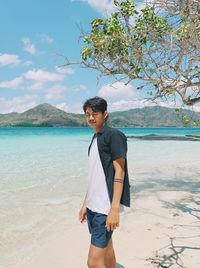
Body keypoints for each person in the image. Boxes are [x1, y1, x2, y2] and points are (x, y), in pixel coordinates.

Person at [79, 96, 130, 268]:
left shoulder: (114, 135)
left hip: (105, 208)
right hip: (94, 206)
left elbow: (120, 171)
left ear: (105, 114)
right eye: (87, 114)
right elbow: (95, 176)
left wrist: (114, 209)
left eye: (95, 114)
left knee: (93, 262)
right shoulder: (95, 139)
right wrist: (85, 203)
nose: (91, 118)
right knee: (107, 249)